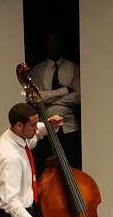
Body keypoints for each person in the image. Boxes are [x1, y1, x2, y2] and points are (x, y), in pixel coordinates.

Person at [30, 32, 81, 171]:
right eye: (49, 43)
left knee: (72, 167)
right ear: (45, 46)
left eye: (55, 43)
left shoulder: (73, 68)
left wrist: (50, 100)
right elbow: (37, 97)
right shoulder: (37, 70)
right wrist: (64, 91)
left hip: (69, 126)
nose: (53, 47)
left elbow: (79, 96)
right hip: (46, 127)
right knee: (47, 169)